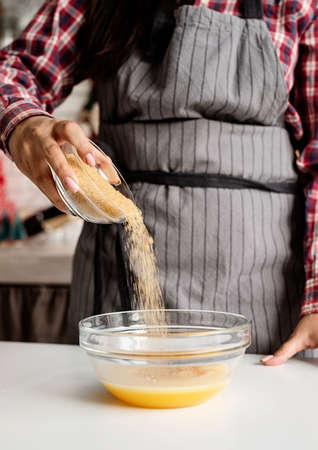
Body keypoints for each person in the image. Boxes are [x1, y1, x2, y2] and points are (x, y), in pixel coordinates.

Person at [0, 0, 317, 364]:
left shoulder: (297, 5)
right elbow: (13, 70)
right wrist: (22, 123)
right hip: (118, 287)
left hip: (265, 299)